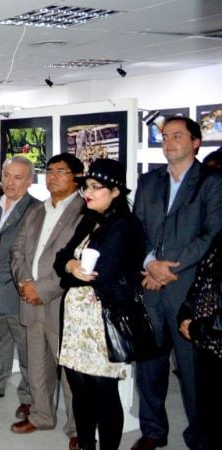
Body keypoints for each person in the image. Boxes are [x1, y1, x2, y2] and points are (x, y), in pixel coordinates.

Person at [133, 116, 222, 450]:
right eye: (164, 136)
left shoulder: (212, 181)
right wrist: (149, 264)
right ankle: (153, 431)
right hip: (150, 288)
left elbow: (213, 234)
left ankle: (200, 438)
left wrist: (171, 269)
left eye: (177, 136)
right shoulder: (149, 181)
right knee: (149, 368)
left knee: (193, 375)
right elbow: (138, 228)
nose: (168, 142)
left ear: (196, 142)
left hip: (190, 291)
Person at [54, 158, 146, 450]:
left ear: (116, 191)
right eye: (86, 187)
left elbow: (102, 274)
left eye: (96, 187)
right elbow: (61, 260)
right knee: (79, 390)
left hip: (103, 321)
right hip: (76, 318)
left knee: (104, 393)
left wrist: (73, 273)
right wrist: (71, 266)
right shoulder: (90, 219)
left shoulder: (125, 226)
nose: (88, 193)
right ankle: (84, 444)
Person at [9, 154, 84, 449]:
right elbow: (17, 250)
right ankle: (41, 416)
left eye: (61, 172)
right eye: (49, 171)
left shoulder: (84, 210)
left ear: (76, 176)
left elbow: (78, 259)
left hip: (61, 302)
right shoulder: (37, 210)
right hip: (30, 298)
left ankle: (79, 426)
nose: (53, 177)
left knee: (70, 372)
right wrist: (25, 283)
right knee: (37, 365)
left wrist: (42, 289)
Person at [0, 156, 38, 420]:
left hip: (17, 290)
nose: (10, 182)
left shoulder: (37, 210)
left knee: (27, 348)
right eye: (6, 175)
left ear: (30, 180)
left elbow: (33, 252)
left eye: (17, 177)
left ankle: (28, 397)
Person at [179, 230, 222, 450]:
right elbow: (202, 279)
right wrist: (186, 312)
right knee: (206, 410)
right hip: (206, 342)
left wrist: (199, 327)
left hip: (212, 336)